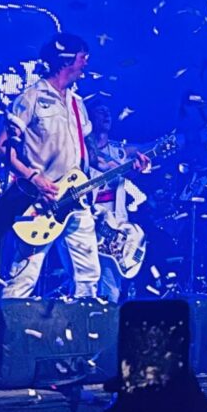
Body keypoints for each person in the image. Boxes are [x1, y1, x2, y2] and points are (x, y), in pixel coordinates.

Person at [0, 33, 107, 301]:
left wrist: (127, 166)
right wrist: (34, 178)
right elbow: (2, 147)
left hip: (76, 201)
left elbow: (91, 153)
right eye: (83, 57)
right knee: (23, 278)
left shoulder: (77, 104)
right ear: (67, 59)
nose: (86, 64)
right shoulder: (31, 98)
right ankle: (6, 337)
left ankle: (83, 338)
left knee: (88, 279)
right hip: (39, 203)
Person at [86, 103, 150, 304]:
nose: (106, 114)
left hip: (113, 230)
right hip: (86, 222)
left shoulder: (119, 152)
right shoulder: (81, 150)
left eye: (108, 111)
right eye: (100, 110)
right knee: (85, 281)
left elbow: (145, 148)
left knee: (111, 288)